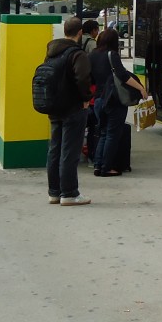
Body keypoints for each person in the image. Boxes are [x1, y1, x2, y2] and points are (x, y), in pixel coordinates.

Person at [44, 17, 94, 206]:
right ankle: (70, 193)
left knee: (54, 149)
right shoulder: (77, 54)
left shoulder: (51, 52)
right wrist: (86, 98)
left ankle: (54, 192)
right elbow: (83, 79)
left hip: (54, 106)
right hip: (73, 108)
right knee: (70, 151)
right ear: (80, 33)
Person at [89, 26, 147, 177]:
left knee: (102, 133)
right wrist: (141, 88)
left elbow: (90, 78)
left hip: (98, 100)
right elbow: (123, 76)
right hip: (113, 100)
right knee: (112, 134)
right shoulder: (112, 55)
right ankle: (106, 168)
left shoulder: (92, 55)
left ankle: (98, 165)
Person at [80, 20, 101, 162]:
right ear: (93, 30)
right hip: (90, 85)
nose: (97, 33)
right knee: (93, 124)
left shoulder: (77, 40)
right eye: (97, 30)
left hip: (79, 83)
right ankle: (91, 152)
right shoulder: (92, 43)